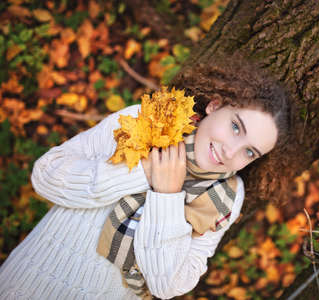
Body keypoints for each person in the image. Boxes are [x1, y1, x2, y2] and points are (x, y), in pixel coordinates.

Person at [0, 59, 289, 299]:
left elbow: (169, 285)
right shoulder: (147, 121)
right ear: (215, 105)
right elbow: (46, 175)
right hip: (27, 282)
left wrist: (167, 196)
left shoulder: (226, 195)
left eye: (249, 151)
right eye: (236, 127)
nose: (230, 151)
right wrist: (143, 172)